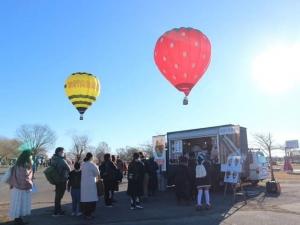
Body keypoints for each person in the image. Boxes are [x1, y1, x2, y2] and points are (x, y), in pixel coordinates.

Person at [8, 150, 33, 225]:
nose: (31, 157)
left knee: (16, 203)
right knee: (21, 203)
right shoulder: (25, 165)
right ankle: (19, 219)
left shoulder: (17, 164)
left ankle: (17, 218)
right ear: (27, 156)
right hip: (22, 188)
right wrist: (30, 184)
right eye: (30, 156)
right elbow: (25, 177)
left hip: (16, 187)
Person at [51, 147, 70, 216]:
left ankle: (58, 210)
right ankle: (57, 211)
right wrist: (65, 159)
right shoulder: (62, 160)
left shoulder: (53, 159)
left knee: (57, 196)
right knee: (59, 196)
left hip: (56, 179)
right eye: (63, 152)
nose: (63, 153)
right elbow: (69, 168)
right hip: (62, 179)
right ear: (59, 152)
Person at [81, 152, 100, 220]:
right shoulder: (92, 164)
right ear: (91, 157)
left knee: (85, 199)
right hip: (91, 183)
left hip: (83, 184)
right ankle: (89, 214)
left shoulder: (82, 164)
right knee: (91, 200)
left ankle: (86, 213)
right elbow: (97, 173)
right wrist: (94, 175)